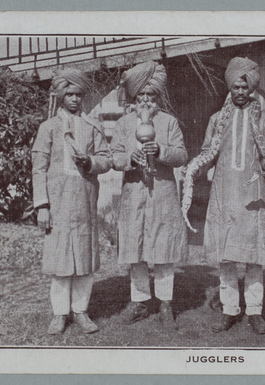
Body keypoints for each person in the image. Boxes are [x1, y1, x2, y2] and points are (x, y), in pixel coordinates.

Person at [183, 57, 265, 335]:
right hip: (224, 195)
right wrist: (193, 169)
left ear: (251, 89)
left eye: (244, 87)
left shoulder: (262, 117)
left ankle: (255, 312)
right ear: (230, 87)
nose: (240, 91)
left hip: (252, 194)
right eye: (236, 86)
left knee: (253, 257)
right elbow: (207, 153)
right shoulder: (217, 120)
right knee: (226, 258)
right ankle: (229, 311)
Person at [32, 68, 113, 335]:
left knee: (85, 259)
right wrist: (42, 205)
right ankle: (59, 314)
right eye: (70, 94)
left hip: (85, 202)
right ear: (61, 95)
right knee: (60, 259)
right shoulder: (49, 128)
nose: (75, 99)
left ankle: (81, 311)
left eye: (79, 94)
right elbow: (39, 168)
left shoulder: (92, 127)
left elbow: (106, 159)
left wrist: (90, 162)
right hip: (58, 204)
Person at [111, 61, 188, 331]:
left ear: (158, 97)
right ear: (134, 98)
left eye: (150, 95)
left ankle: (165, 303)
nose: (145, 101)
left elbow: (182, 155)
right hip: (134, 193)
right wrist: (129, 159)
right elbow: (114, 157)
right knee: (136, 248)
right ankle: (140, 301)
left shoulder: (169, 122)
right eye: (141, 95)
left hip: (163, 192)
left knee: (164, 248)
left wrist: (162, 151)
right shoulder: (123, 124)